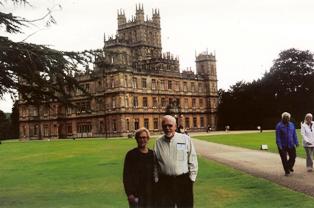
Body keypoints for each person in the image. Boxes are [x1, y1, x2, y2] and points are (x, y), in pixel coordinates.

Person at [154, 115, 198, 208]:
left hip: (183, 181)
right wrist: (156, 180)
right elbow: (155, 163)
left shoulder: (185, 139)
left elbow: (192, 159)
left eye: (170, 125)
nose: (167, 128)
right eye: (164, 126)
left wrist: (191, 179)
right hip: (165, 182)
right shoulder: (158, 142)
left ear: (175, 126)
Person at [123, 127, 157, 208]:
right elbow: (126, 176)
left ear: (148, 139)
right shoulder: (131, 154)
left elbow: (156, 174)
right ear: (136, 139)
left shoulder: (152, 154)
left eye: (144, 137)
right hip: (136, 195)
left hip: (150, 194)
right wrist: (130, 194)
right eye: (140, 137)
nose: (142, 140)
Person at [275, 112, 299, 176]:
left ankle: (289, 166)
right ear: (282, 118)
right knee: (284, 158)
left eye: (288, 118)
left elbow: (294, 134)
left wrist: (296, 142)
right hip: (282, 145)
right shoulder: (279, 126)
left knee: (293, 157)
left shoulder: (292, 125)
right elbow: (278, 137)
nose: (287, 119)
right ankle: (286, 171)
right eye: (285, 118)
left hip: (291, 144)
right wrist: (279, 145)